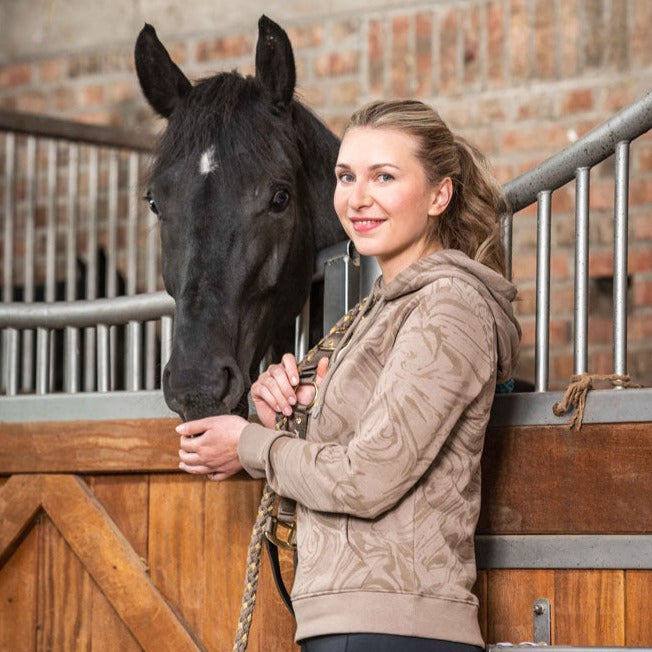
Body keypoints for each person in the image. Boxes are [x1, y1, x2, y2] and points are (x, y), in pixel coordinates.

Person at [176, 99, 521, 652]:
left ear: (439, 194)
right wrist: (284, 419)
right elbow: (347, 479)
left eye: (384, 176)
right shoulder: (377, 312)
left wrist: (251, 444)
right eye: (345, 176)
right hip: (349, 622)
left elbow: (369, 478)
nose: (357, 198)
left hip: (396, 629)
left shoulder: (449, 307)